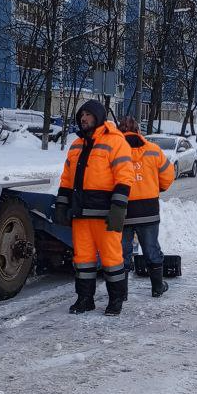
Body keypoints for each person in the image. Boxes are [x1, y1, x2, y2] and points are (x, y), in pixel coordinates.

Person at [55, 100, 135, 316]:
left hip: (105, 215)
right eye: (82, 115)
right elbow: (66, 180)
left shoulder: (116, 142)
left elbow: (125, 177)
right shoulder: (76, 146)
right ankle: (84, 299)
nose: (84, 119)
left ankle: (116, 300)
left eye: (88, 115)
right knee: (83, 260)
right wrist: (62, 205)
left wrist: (118, 209)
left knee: (112, 260)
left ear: (98, 117)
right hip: (81, 215)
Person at [116, 116, 176, 296]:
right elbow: (167, 176)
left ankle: (122, 293)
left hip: (122, 211)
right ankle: (157, 287)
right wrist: (155, 187)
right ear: (138, 131)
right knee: (151, 249)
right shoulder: (154, 150)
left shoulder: (114, 152)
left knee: (122, 253)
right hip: (148, 211)